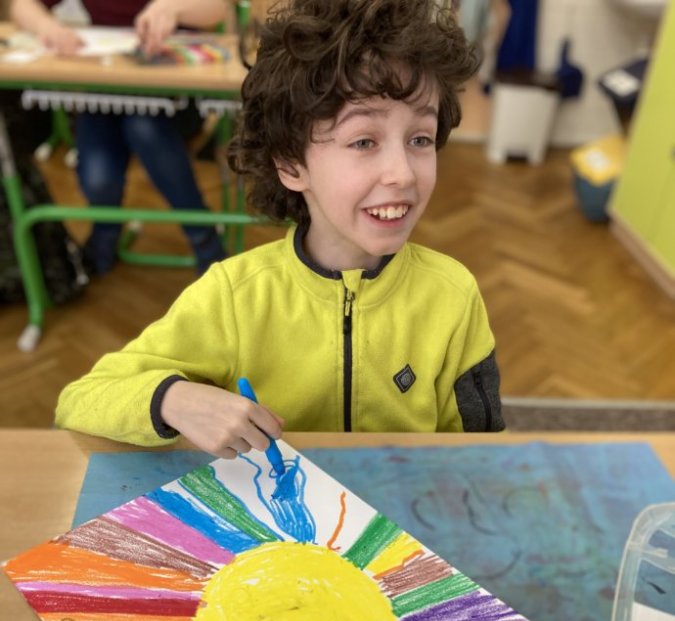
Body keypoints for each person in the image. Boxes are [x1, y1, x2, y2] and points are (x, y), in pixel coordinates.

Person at [55, 0, 505, 458]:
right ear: (291, 165)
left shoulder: (454, 296)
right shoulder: (234, 297)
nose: (402, 174)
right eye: (364, 141)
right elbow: (81, 399)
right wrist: (172, 398)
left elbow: (481, 457)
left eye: (420, 139)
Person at [9, 0, 228, 275]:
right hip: (107, 83)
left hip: (173, 89)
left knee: (144, 127)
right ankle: (106, 230)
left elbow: (217, 8)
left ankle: (202, 235)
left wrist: (172, 8)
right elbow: (22, 5)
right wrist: (47, 26)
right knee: (98, 176)